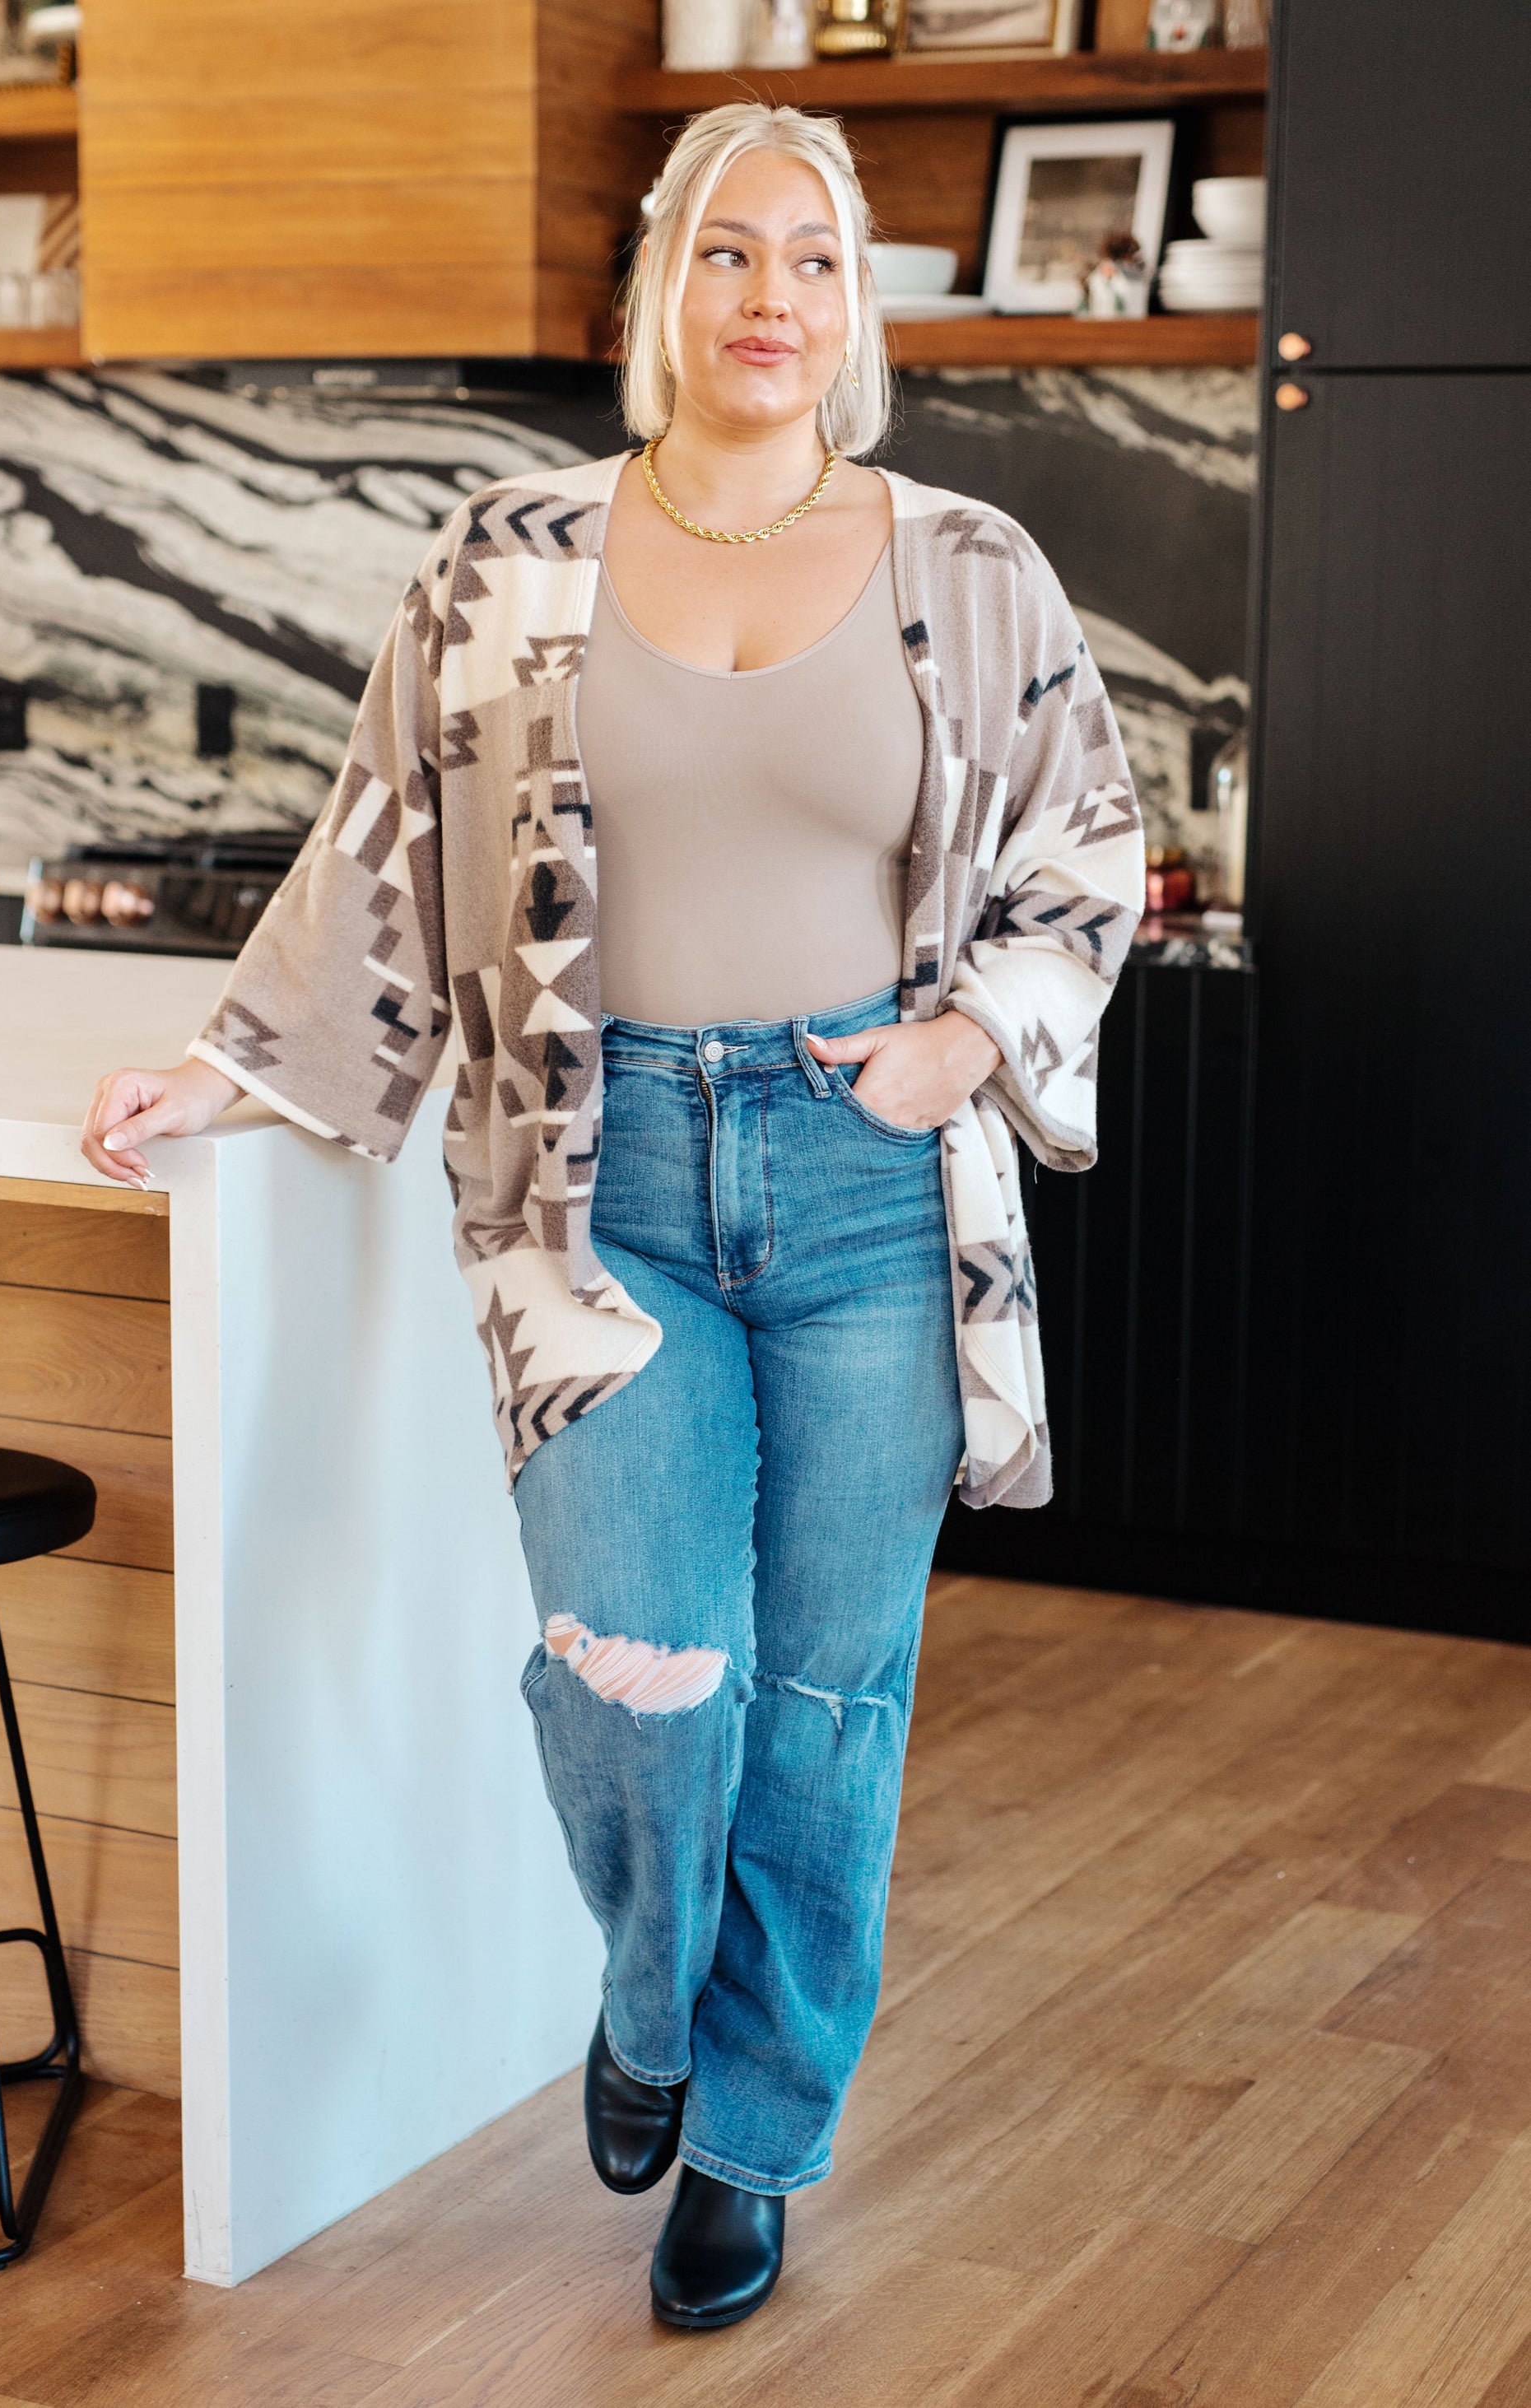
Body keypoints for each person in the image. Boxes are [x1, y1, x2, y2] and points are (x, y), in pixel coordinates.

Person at [81, 102, 1143, 2331]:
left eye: (815, 260)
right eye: (729, 252)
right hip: (592, 1176)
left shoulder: (970, 566)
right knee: (637, 1659)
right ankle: (647, 1998)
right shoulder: (508, 554)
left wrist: (968, 1039)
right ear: (660, 284)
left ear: (856, 306)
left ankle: (749, 2146)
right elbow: (381, 847)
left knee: (827, 1702)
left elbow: (1086, 856)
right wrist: (230, 1073)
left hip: (868, 1181)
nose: (772, 298)